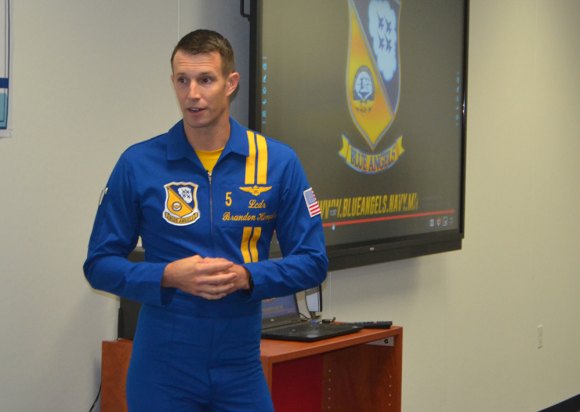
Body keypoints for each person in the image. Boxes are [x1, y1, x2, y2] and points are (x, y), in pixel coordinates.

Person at [83, 29, 327, 411]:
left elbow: (313, 261)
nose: (192, 94)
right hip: (163, 366)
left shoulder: (277, 163)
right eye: (183, 80)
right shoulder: (139, 163)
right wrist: (166, 276)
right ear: (173, 83)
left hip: (240, 364)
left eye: (205, 80)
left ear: (231, 83)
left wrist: (250, 277)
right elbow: (99, 265)